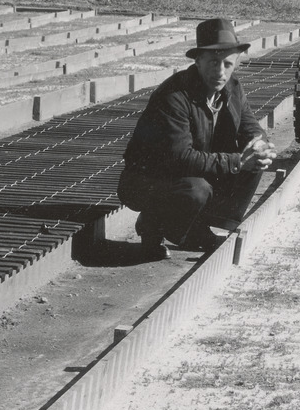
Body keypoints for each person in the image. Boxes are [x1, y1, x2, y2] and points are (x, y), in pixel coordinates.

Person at [118, 18, 276, 260]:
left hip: (194, 170)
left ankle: (197, 229)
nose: (220, 71)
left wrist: (259, 144)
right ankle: (153, 225)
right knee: (196, 189)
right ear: (198, 61)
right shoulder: (174, 96)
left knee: (254, 160)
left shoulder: (232, 88)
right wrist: (236, 161)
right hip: (149, 180)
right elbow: (180, 157)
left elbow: (251, 126)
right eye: (213, 62)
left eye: (227, 63)